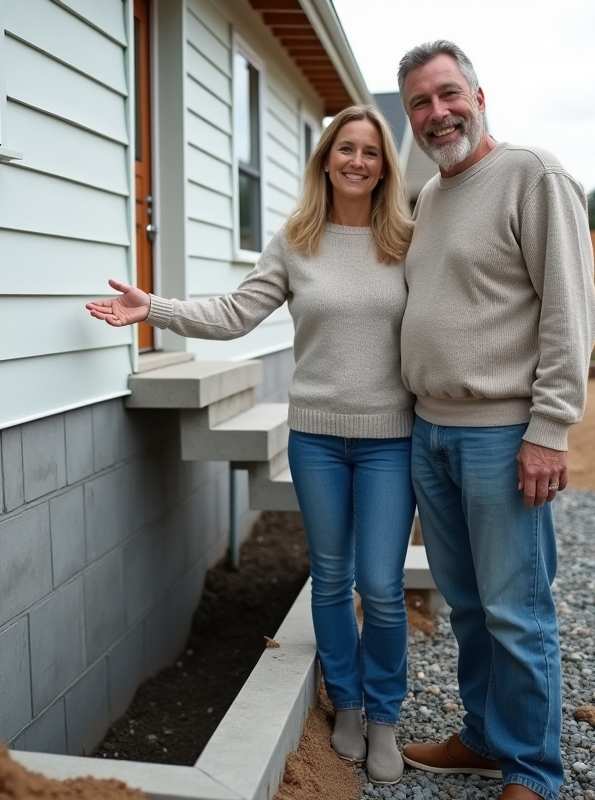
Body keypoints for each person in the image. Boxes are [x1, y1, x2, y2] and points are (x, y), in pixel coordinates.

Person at [87, 106, 416, 785]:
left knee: (381, 586)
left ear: (386, 166)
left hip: (392, 441)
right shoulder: (296, 240)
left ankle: (385, 714)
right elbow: (237, 314)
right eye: (345, 148)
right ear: (325, 159)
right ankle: (347, 705)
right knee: (330, 578)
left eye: (371, 152)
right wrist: (157, 308)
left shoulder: (410, 240)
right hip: (318, 438)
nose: (357, 160)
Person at [393, 41, 595, 800]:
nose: (437, 111)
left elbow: (572, 313)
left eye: (449, 94)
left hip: (501, 434)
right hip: (431, 433)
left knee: (517, 612)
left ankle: (533, 773)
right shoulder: (432, 197)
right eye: (421, 101)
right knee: (471, 606)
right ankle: (484, 738)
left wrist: (550, 428)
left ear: (480, 98)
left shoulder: (531, 176)